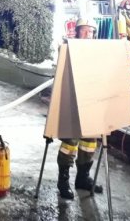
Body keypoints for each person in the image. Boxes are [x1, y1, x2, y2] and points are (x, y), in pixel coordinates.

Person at [56, 18, 104, 199]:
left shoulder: (97, 51)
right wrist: (65, 43)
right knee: (70, 142)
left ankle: (83, 178)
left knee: (90, 142)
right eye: (83, 30)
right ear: (76, 32)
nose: (87, 34)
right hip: (72, 102)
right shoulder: (68, 47)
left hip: (90, 101)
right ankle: (63, 181)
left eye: (90, 31)